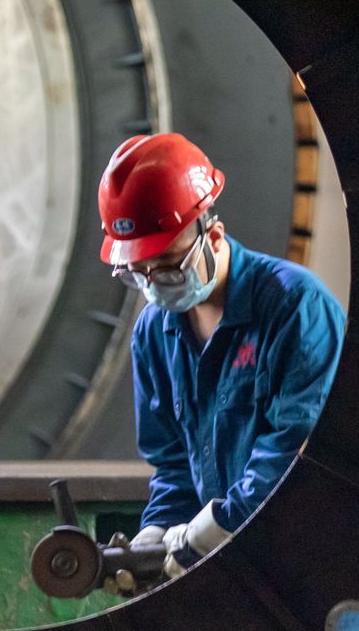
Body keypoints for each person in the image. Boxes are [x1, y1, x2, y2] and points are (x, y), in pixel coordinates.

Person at [98, 133, 346, 582]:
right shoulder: (153, 333)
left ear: (212, 236)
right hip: (238, 570)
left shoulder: (295, 306)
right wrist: (157, 533)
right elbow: (173, 463)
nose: (154, 284)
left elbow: (297, 448)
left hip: (317, 556)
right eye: (138, 272)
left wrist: (217, 527)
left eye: (168, 266)